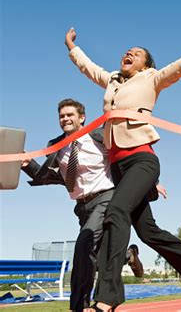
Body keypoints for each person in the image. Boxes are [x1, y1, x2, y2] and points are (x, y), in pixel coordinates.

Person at [65, 23, 181, 311]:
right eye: (126, 52)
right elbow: (89, 68)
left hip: (142, 159)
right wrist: (72, 47)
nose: (128, 54)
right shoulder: (112, 80)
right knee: (146, 230)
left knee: (115, 213)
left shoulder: (152, 79)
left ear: (146, 64)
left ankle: (107, 296)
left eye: (136, 53)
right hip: (119, 168)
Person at [21, 99, 148, 311]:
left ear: (82, 118)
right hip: (82, 207)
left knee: (82, 247)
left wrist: (147, 179)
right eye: (62, 116)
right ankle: (128, 255)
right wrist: (27, 164)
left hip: (105, 197)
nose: (65, 119)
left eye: (70, 115)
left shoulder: (98, 136)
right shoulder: (56, 146)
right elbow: (49, 177)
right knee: (94, 257)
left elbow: (125, 158)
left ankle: (78, 306)